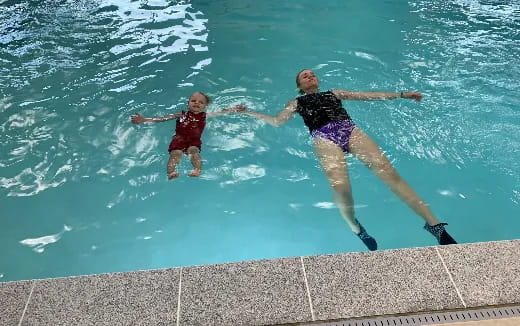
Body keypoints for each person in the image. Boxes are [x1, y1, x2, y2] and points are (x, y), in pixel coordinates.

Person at [242, 69, 457, 251]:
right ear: (299, 84)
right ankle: (355, 227)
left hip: (349, 129)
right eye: (304, 76)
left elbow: (367, 95)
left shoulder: (334, 93)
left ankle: (435, 226)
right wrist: (249, 112)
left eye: (312, 75)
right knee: (341, 187)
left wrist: (402, 94)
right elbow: (277, 121)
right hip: (323, 136)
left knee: (389, 173)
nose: (309, 76)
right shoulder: (296, 102)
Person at [131, 91, 245, 179]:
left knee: (193, 152)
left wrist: (235, 109)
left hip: (194, 140)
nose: (197, 103)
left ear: (204, 107)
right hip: (179, 139)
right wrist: (144, 120)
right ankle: (171, 172)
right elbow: (162, 119)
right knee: (175, 155)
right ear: (188, 103)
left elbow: (222, 112)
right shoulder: (181, 114)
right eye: (194, 100)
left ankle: (196, 170)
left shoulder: (205, 115)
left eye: (201, 102)